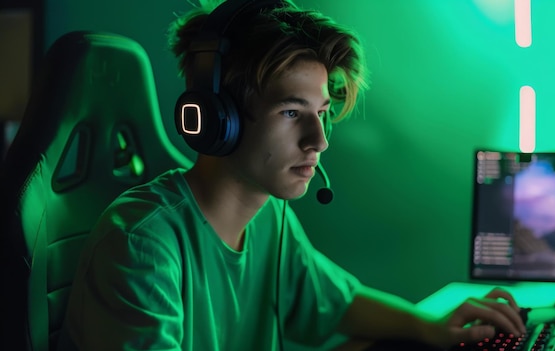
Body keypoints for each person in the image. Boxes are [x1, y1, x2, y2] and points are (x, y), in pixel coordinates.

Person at [57, 0, 526, 350]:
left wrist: (431, 327)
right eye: (290, 112)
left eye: (321, 112)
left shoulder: (270, 218)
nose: (319, 141)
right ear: (220, 118)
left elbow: (339, 302)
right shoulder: (144, 245)